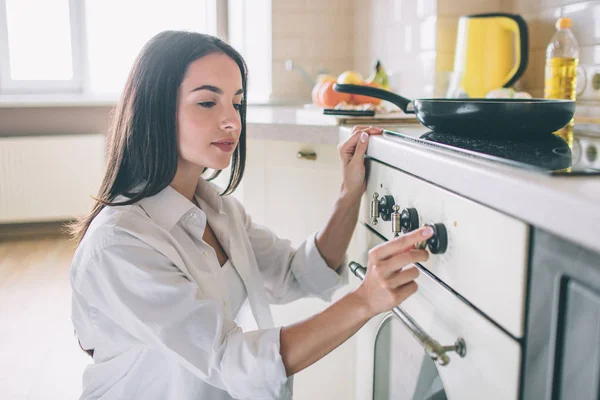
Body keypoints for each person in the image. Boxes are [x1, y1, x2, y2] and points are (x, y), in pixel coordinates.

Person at [68, 30, 433, 400]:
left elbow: (299, 272)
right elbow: (230, 358)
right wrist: (365, 301)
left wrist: (350, 192)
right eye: (208, 103)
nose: (232, 122)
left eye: (237, 104)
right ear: (156, 110)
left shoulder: (217, 210)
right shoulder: (120, 244)